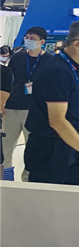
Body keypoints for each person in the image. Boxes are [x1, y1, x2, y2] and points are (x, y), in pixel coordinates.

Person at [24, 20, 79, 185]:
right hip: (50, 148)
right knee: (51, 199)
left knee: (76, 196)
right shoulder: (57, 70)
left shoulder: (69, 67)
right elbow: (57, 120)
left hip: (66, 144)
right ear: (77, 44)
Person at [1, 27, 51, 181]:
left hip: (35, 110)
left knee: (32, 149)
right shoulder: (17, 57)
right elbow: (7, 80)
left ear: (42, 42)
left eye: (33, 38)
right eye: (27, 37)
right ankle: (6, 179)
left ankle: (28, 180)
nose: (28, 40)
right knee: (6, 147)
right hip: (12, 107)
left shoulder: (49, 60)